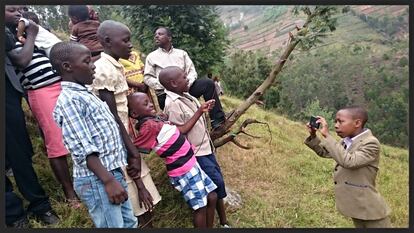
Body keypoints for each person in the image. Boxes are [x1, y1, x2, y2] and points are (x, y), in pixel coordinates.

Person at [50, 41, 138, 228]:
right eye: (87, 61)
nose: (93, 66)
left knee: (129, 223)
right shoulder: (70, 101)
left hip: (111, 173)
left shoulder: (86, 94)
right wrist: (108, 181)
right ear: (68, 67)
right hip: (97, 179)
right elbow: (83, 147)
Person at [7, 5, 80, 209]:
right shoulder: (9, 40)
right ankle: (70, 193)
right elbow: (22, 61)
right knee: (56, 142)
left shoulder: (32, 37)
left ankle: (86, 179)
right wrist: (29, 35)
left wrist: (31, 33)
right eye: (11, 10)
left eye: (19, 10)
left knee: (76, 131)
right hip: (41, 92)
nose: (18, 13)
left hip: (61, 85)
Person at [91, 20, 161, 228]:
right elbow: (111, 116)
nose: (130, 45)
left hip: (125, 133)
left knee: (142, 192)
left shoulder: (115, 64)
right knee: (134, 191)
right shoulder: (103, 69)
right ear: (107, 41)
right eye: (125, 40)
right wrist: (132, 150)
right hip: (118, 139)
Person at [128, 92, 218, 228]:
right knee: (201, 207)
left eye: (149, 101)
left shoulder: (155, 121)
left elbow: (181, 130)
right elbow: (135, 151)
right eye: (145, 104)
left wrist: (200, 111)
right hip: (184, 171)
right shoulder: (149, 127)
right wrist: (139, 183)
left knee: (212, 196)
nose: (151, 104)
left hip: (192, 165)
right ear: (134, 114)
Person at [5, 5, 59, 227]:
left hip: (7, 98)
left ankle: (39, 205)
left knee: (19, 154)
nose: (17, 13)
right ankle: (13, 214)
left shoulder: (12, 34)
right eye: (11, 9)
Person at [160, 66, 231, 228]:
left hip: (206, 147)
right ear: (173, 83)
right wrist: (199, 111)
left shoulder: (187, 96)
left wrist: (204, 109)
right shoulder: (172, 105)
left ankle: (224, 221)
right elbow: (180, 132)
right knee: (215, 185)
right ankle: (221, 222)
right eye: (184, 78)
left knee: (217, 183)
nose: (188, 80)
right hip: (196, 153)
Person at [304, 106, 392, 228]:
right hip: (356, 206)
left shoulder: (371, 143)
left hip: (370, 209)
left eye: (341, 121)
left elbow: (349, 161)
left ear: (357, 123)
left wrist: (327, 136)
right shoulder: (347, 141)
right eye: (335, 121)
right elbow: (325, 152)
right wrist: (313, 135)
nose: (336, 125)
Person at [144, 26, 225, 129]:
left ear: (169, 38)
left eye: (160, 34)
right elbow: (147, 77)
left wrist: (185, 84)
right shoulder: (151, 57)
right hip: (166, 94)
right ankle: (179, 134)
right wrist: (166, 85)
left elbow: (192, 71)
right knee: (176, 116)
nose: (156, 36)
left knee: (208, 83)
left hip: (186, 89)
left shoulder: (181, 53)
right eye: (155, 35)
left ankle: (218, 120)